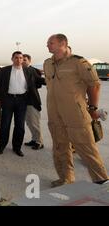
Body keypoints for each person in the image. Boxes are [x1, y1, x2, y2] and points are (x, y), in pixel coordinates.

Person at [44, 34, 108, 187]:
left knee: (87, 149)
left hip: (75, 114)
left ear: (63, 43)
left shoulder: (79, 62)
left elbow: (95, 85)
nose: (47, 45)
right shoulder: (47, 63)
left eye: (51, 43)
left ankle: (102, 183)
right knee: (60, 148)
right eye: (47, 43)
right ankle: (66, 179)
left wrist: (92, 108)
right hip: (55, 114)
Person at [0, 51, 41, 157]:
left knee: (20, 126)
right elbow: (0, 86)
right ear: (12, 59)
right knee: (5, 125)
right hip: (8, 100)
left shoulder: (28, 71)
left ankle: (17, 147)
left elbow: (39, 80)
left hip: (22, 101)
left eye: (21, 58)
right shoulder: (4, 70)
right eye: (16, 58)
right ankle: (1, 145)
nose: (19, 60)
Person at [22, 54, 46, 150]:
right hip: (22, 101)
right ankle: (34, 139)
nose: (22, 61)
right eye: (21, 59)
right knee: (29, 122)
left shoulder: (34, 71)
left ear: (29, 61)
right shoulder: (20, 70)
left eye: (25, 60)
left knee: (34, 122)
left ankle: (39, 142)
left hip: (32, 100)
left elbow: (40, 82)